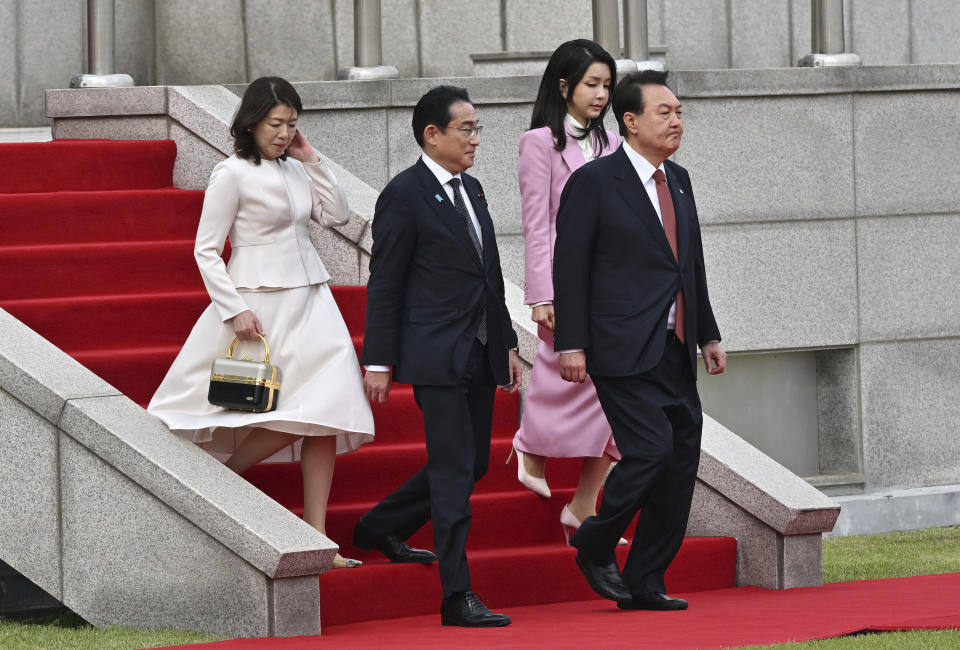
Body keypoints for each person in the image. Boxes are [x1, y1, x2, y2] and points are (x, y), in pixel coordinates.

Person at [148, 76, 374, 570]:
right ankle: (226, 477)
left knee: (328, 414)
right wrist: (234, 309)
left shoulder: (297, 168)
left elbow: (336, 215)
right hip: (258, 304)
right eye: (277, 124)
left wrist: (311, 156)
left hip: (312, 299)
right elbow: (205, 249)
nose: (284, 133)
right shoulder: (230, 173)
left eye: (292, 124)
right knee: (292, 410)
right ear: (251, 122)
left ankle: (318, 538)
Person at [552, 70, 726, 611]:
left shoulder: (680, 179)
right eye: (663, 112)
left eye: (679, 112)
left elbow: (688, 264)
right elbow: (570, 268)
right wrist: (571, 344)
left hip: (674, 345)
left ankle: (647, 581)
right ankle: (595, 540)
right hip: (619, 346)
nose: (676, 121)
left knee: (679, 466)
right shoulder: (595, 181)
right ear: (629, 121)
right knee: (650, 450)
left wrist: (707, 334)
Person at [354, 85, 523, 627]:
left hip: (479, 349)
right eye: (466, 129)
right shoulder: (403, 194)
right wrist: (377, 360)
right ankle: (457, 597)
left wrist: (508, 342)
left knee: (471, 462)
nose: (476, 138)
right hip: (434, 354)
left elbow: (489, 274)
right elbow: (386, 283)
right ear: (432, 134)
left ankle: (382, 525)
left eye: (478, 128)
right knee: (454, 472)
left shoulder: (472, 190)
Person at [509, 39, 627, 547]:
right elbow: (537, 226)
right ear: (565, 86)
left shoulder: (614, 144)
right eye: (591, 84)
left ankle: (583, 505)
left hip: (611, 289)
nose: (601, 95)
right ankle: (528, 449)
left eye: (606, 85)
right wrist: (540, 294)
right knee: (560, 379)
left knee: (621, 396)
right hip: (561, 285)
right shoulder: (539, 143)